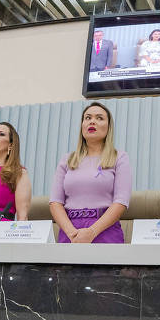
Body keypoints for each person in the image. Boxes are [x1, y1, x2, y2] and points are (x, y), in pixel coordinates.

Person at [49, 102, 131, 244]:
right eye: (87, 118)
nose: (92, 121)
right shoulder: (67, 159)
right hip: (70, 232)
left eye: (99, 118)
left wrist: (92, 232)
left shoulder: (119, 157)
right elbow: (55, 202)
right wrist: (72, 233)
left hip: (105, 231)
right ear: (82, 126)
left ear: (108, 127)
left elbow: (121, 201)